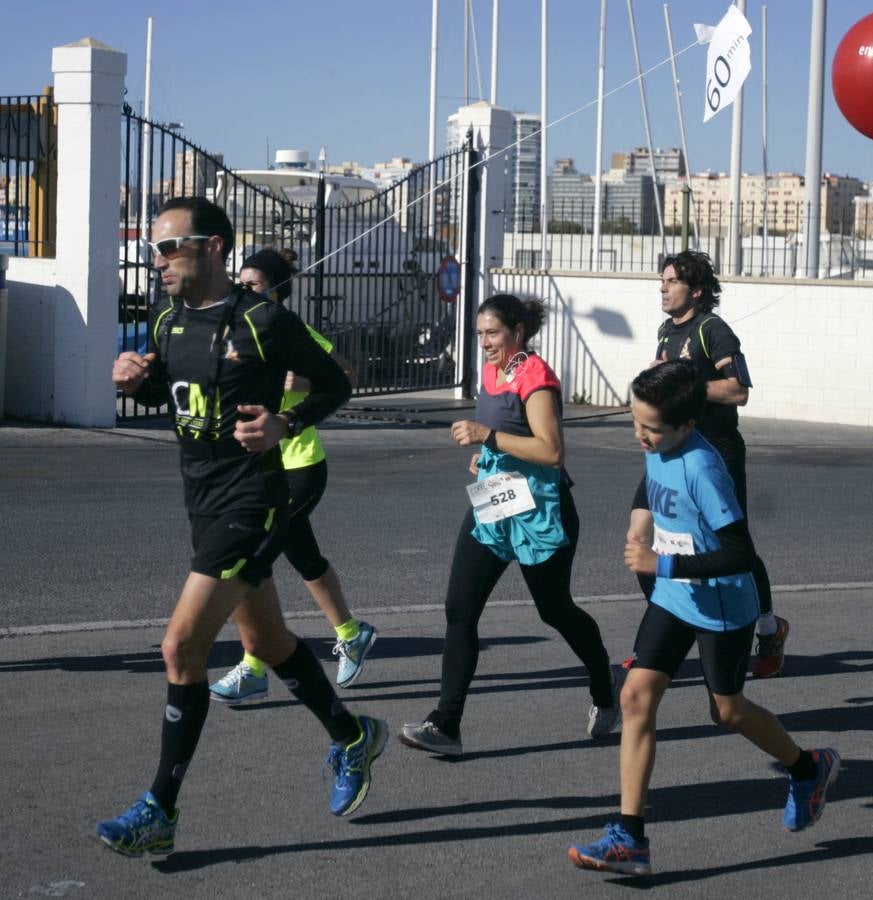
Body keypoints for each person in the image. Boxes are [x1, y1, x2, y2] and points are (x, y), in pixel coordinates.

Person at [100, 198, 385, 857]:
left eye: (170, 248)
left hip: (252, 497)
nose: (158, 261)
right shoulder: (168, 319)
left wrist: (287, 423)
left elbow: (335, 383)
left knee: (181, 649)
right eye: (155, 251)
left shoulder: (263, 321)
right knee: (271, 640)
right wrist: (133, 382)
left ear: (215, 248)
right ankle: (351, 737)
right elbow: (175, 395)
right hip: (200, 497)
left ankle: (160, 809)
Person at [567, 361, 840, 876]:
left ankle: (808, 768)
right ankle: (630, 838)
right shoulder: (660, 446)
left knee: (728, 712)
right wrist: (641, 526)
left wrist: (658, 562)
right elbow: (649, 483)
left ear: (686, 426)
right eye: (635, 422)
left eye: (651, 429)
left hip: (721, 605)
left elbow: (740, 553)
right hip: (674, 597)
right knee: (634, 696)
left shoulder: (703, 468)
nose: (640, 436)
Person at [399, 294, 619, 757]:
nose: (484, 343)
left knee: (555, 609)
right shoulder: (491, 372)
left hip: (541, 509)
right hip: (496, 502)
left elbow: (551, 452)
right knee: (460, 609)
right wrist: (489, 456)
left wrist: (488, 437)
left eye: (493, 333)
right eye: (479, 334)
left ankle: (604, 683)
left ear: (518, 331)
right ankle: (446, 724)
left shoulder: (536, 376)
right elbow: (509, 442)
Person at [207, 248, 377, 703]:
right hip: (258, 467)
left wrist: (302, 385)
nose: (244, 290)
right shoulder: (239, 331)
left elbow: (344, 375)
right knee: (302, 555)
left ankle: (254, 665)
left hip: (300, 467)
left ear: (279, 293)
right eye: (239, 282)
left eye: (255, 284)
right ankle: (351, 632)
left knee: (250, 554)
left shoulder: (292, 330)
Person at [647, 250, 789, 678]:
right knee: (666, 539)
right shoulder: (664, 331)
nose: (663, 288)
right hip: (676, 452)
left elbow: (738, 390)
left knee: (730, 543)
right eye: (662, 281)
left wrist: (684, 384)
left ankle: (767, 628)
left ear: (697, 290)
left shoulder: (713, 329)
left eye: (671, 282)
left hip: (718, 453)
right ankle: (664, 640)